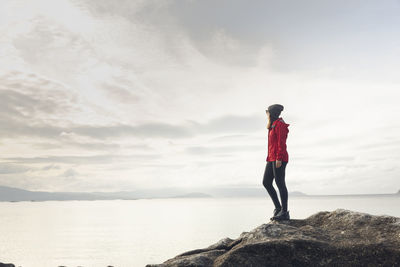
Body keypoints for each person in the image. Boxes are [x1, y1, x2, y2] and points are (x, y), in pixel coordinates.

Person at [262, 104, 290, 221]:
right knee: (266, 182)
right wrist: (271, 157)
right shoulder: (272, 125)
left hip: (279, 158)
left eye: (268, 112)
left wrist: (279, 158)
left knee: (280, 183)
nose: (266, 114)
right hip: (271, 158)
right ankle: (278, 208)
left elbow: (281, 143)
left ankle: (284, 212)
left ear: (272, 113)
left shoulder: (280, 125)